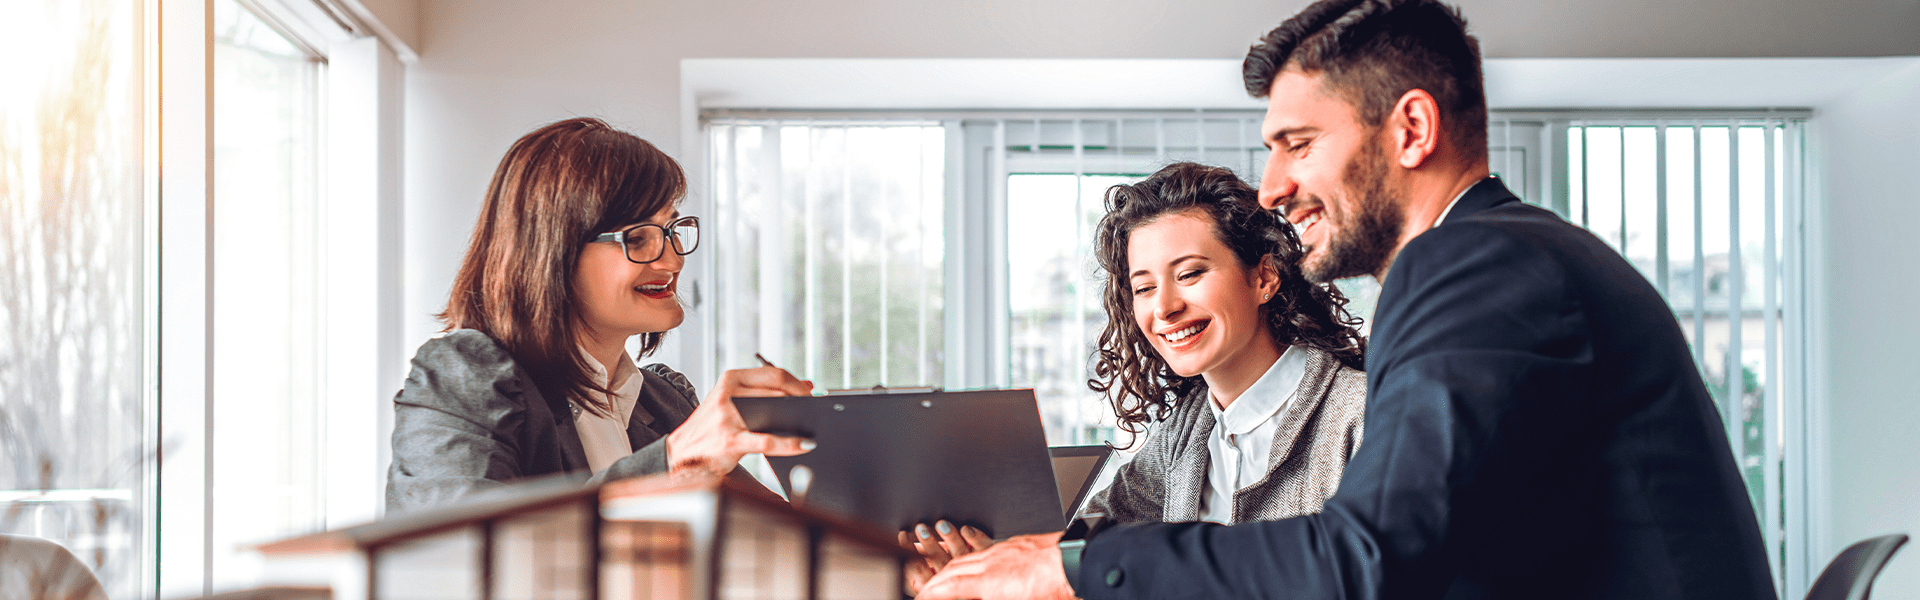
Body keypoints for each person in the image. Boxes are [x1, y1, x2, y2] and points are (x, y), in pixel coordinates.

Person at [918, 0, 1777, 598]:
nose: (1274, 187)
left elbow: (1362, 564)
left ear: (1410, 129)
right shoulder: (1509, 254)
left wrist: (1071, 574)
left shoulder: (1473, 266)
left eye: (1298, 144)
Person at [903, 163, 1371, 591]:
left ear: (1264, 278)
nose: (1164, 307)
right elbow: (1088, 546)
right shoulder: (1187, 434)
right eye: (1144, 287)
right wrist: (983, 560)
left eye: (1189, 274)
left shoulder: (1359, 413)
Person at [386, 117, 812, 512]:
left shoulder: (664, 404)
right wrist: (673, 460)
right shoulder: (462, 378)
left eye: (670, 230)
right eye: (637, 237)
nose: (672, 261)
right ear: (552, 249)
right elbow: (463, 551)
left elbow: (785, 538)